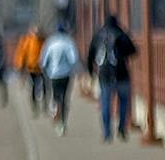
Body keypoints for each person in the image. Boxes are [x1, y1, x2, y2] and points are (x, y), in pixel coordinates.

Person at [89, 14, 139, 142]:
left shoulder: (98, 36)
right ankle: (122, 128)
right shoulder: (121, 34)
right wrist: (123, 54)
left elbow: (90, 55)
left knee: (105, 103)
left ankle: (107, 133)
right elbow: (133, 50)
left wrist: (91, 73)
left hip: (104, 75)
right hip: (122, 74)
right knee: (123, 102)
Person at [40, 20, 79, 134]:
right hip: (66, 74)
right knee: (65, 97)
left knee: (56, 96)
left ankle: (55, 111)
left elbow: (43, 60)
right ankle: (62, 122)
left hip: (53, 74)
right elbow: (73, 59)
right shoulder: (69, 42)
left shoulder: (50, 43)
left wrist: (46, 70)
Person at [15, 26, 45, 115]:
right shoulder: (27, 40)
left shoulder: (43, 40)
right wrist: (20, 66)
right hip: (31, 68)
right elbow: (22, 53)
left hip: (41, 68)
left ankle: (44, 104)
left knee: (44, 87)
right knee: (33, 87)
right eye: (34, 31)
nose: (36, 33)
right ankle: (34, 105)